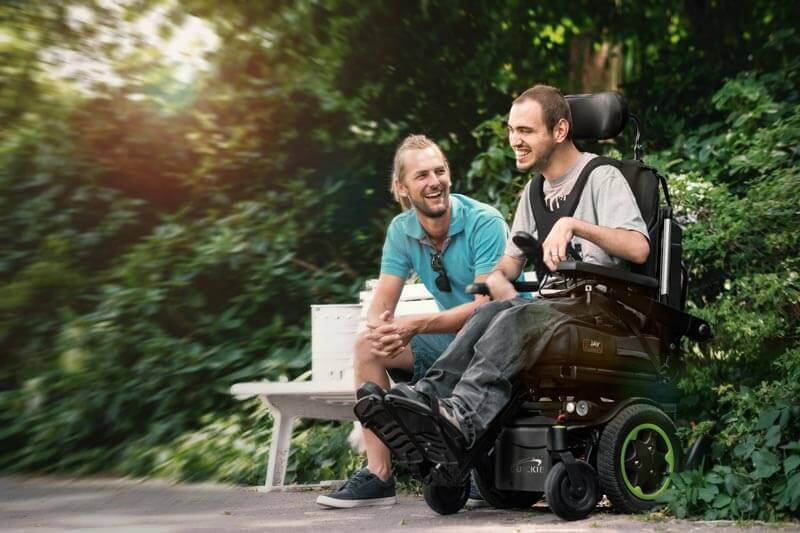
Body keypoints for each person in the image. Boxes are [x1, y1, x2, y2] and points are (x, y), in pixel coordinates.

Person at [361, 84, 650, 459]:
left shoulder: (602, 177)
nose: (515, 140)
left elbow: (639, 247)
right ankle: (426, 401)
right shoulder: (533, 193)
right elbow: (507, 266)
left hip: (603, 314)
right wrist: (500, 283)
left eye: (525, 131)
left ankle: (462, 415)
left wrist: (574, 225)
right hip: (557, 312)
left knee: (516, 315)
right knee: (492, 311)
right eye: (512, 131)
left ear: (559, 131)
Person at [316, 134, 511, 508]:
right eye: (422, 175)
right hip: (448, 342)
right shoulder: (401, 230)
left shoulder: (484, 222)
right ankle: (378, 476)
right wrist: (382, 328)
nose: (435, 181)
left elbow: (484, 309)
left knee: (480, 322)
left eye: (440, 171)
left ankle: (461, 465)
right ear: (401, 187)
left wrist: (415, 325)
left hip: (495, 342)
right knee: (367, 347)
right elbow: (380, 305)